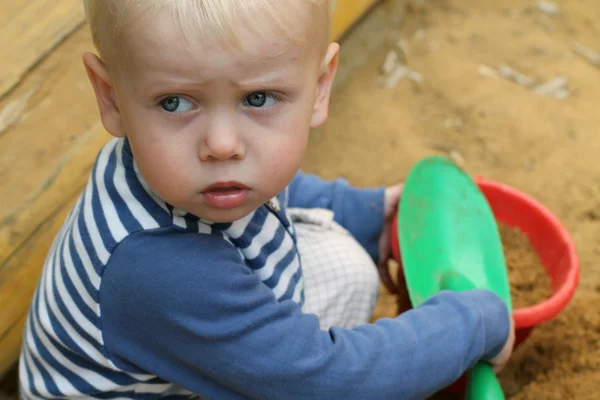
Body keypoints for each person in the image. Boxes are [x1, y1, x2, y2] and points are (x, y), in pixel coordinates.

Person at [18, 0, 514, 398]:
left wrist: (367, 214)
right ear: (111, 97)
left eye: (257, 99)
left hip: (178, 356)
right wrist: (474, 321)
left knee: (348, 266)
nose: (222, 145)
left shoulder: (176, 170)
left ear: (320, 87)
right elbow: (330, 380)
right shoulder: (157, 269)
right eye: (175, 102)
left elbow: (275, 188)